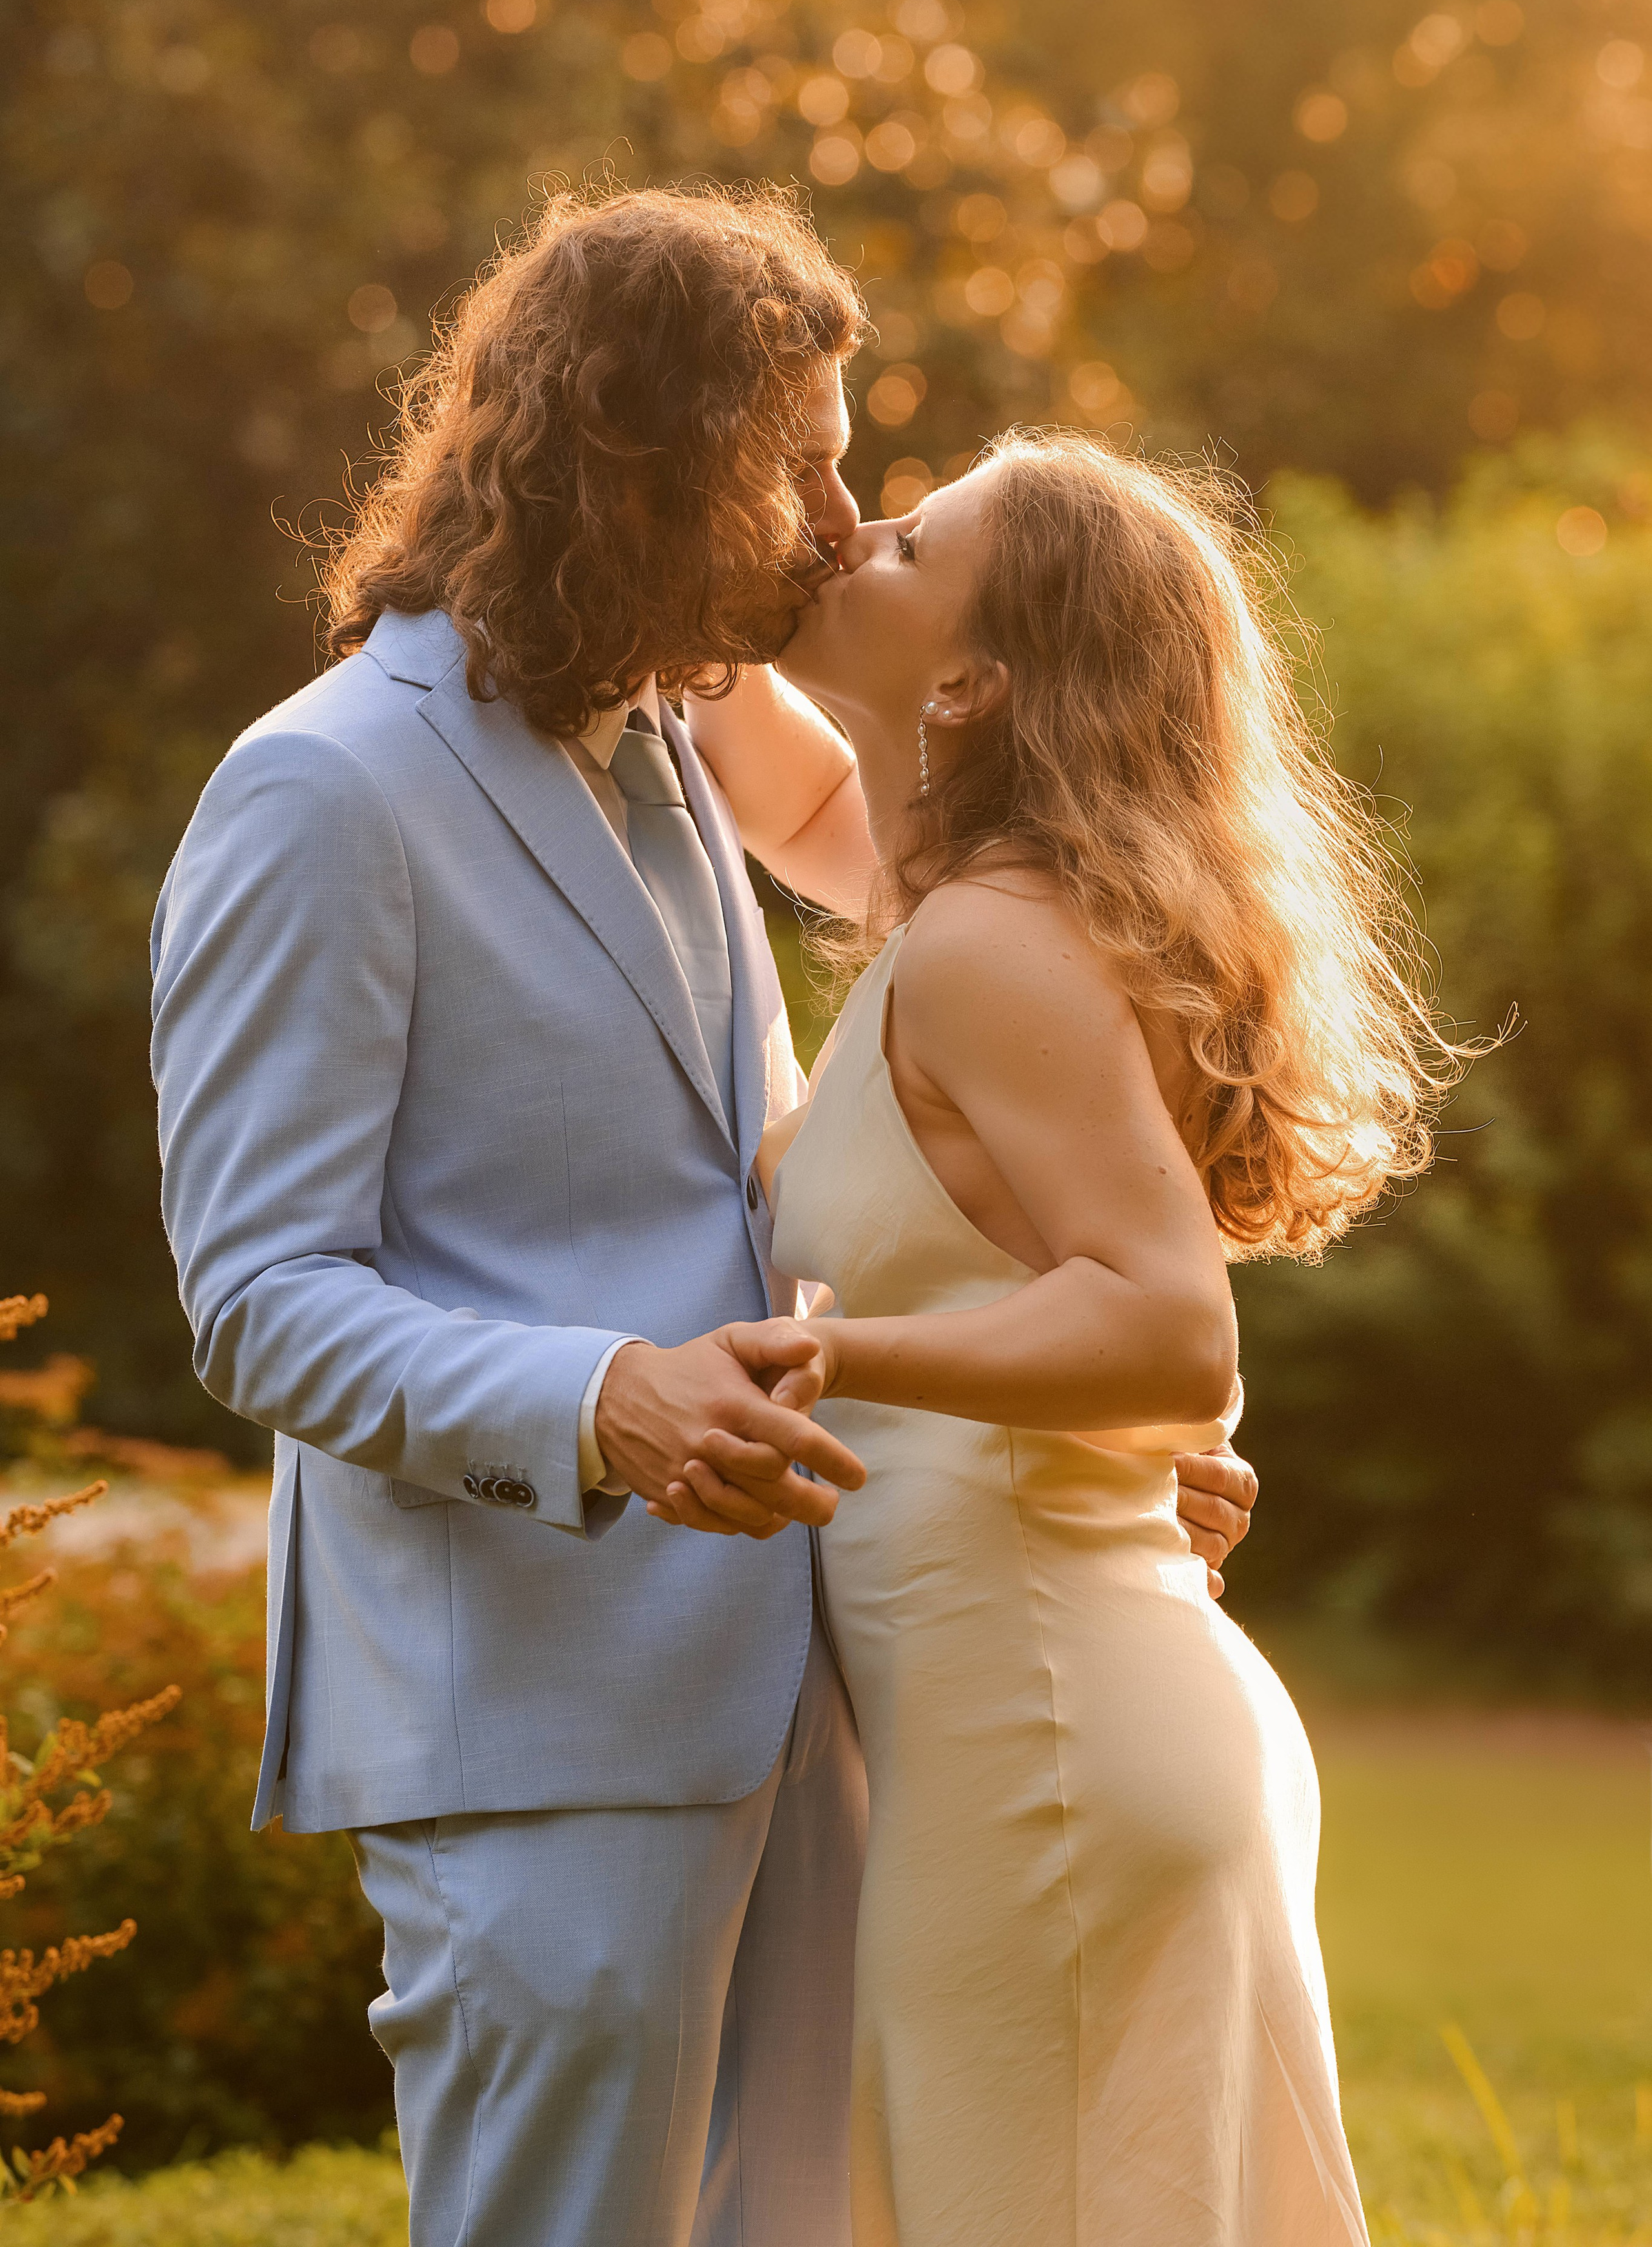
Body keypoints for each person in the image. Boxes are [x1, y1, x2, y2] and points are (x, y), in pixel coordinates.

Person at [148, 185, 1259, 2247]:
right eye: (800, 468)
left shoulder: (674, 730)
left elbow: (911, 1044)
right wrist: (602, 1403)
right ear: (641, 463)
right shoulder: (324, 793)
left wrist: (1105, 1432)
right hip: (538, 1709)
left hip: (810, 1678)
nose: (838, 526)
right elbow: (258, 1294)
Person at [664, 434, 1447, 2243]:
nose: (855, 531)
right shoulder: (961, 910)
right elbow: (760, 748)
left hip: (1055, 1749)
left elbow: (1170, 1327)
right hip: (1048, 1731)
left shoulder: (988, 947)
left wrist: (839, 1360)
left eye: (908, 541)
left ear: (970, 681)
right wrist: (720, 503)